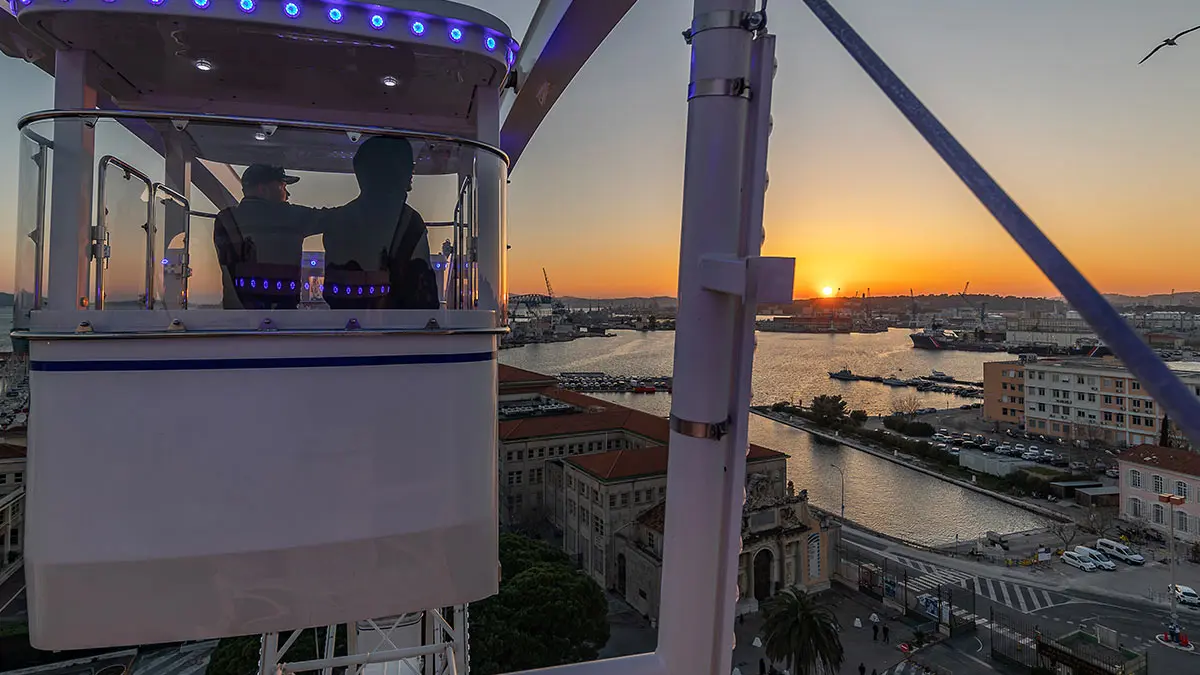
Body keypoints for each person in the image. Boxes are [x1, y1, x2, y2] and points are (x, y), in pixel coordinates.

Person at [322, 136, 439, 310]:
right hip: (398, 332)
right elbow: (425, 301)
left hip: (343, 330)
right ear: (396, 173)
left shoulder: (338, 219)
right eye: (409, 168)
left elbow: (333, 294)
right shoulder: (410, 222)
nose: (411, 180)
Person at [213, 164, 335, 309]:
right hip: (282, 316)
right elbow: (332, 219)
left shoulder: (224, 219)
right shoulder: (290, 216)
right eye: (282, 187)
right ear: (263, 189)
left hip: (236, 317)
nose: (287, 194)